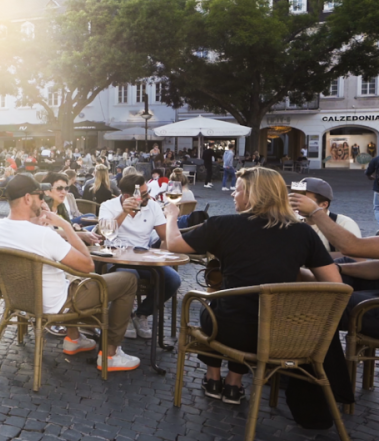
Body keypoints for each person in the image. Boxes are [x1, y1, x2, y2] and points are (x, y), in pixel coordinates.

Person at [167, 167, 339, 405]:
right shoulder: (303, 233)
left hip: (228, 329)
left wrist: (170, 215)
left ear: (252, 194)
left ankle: (213, 377)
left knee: (215, 305)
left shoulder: (223, 225)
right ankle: (234, 383)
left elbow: (173, 244)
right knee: (249, 311)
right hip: (277, 333)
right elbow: (335, 284)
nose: (232, 195)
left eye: (237, 190)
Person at [0, 175, 140, 371]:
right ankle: (110, 354)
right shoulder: (44, 235)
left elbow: (25, 233)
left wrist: (40, 221)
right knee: (128, 279)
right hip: (58, 304)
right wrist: (66, 226)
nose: (43, 201)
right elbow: (88, 265)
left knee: (71, 277)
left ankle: (74, 338)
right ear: (28, 199)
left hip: (24, 300)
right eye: (39, 197)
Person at [98, 174, 182, 340]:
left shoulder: (152, 206)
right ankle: (124, 316)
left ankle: (141, 314)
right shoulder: (108, 206)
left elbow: (165, 236)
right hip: (116, 258)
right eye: (144, 194)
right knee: (130, 276)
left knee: (173, 280)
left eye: (148, 191)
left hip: (143, 258)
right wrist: (124, 212)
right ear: (128, 196)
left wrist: (172, 217)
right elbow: (103, 233)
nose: (149, 196)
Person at [291, 177, 361, 253]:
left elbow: (357, 257)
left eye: (304, 200)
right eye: (296, 197)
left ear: (324, 204)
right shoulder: (290, 223)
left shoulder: (344, 223)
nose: (297, 202)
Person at [366, 150, 379, 226]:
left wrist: (371, 177)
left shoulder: (376, 159)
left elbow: (368, 172)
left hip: (378, 187)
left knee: (377, 208)